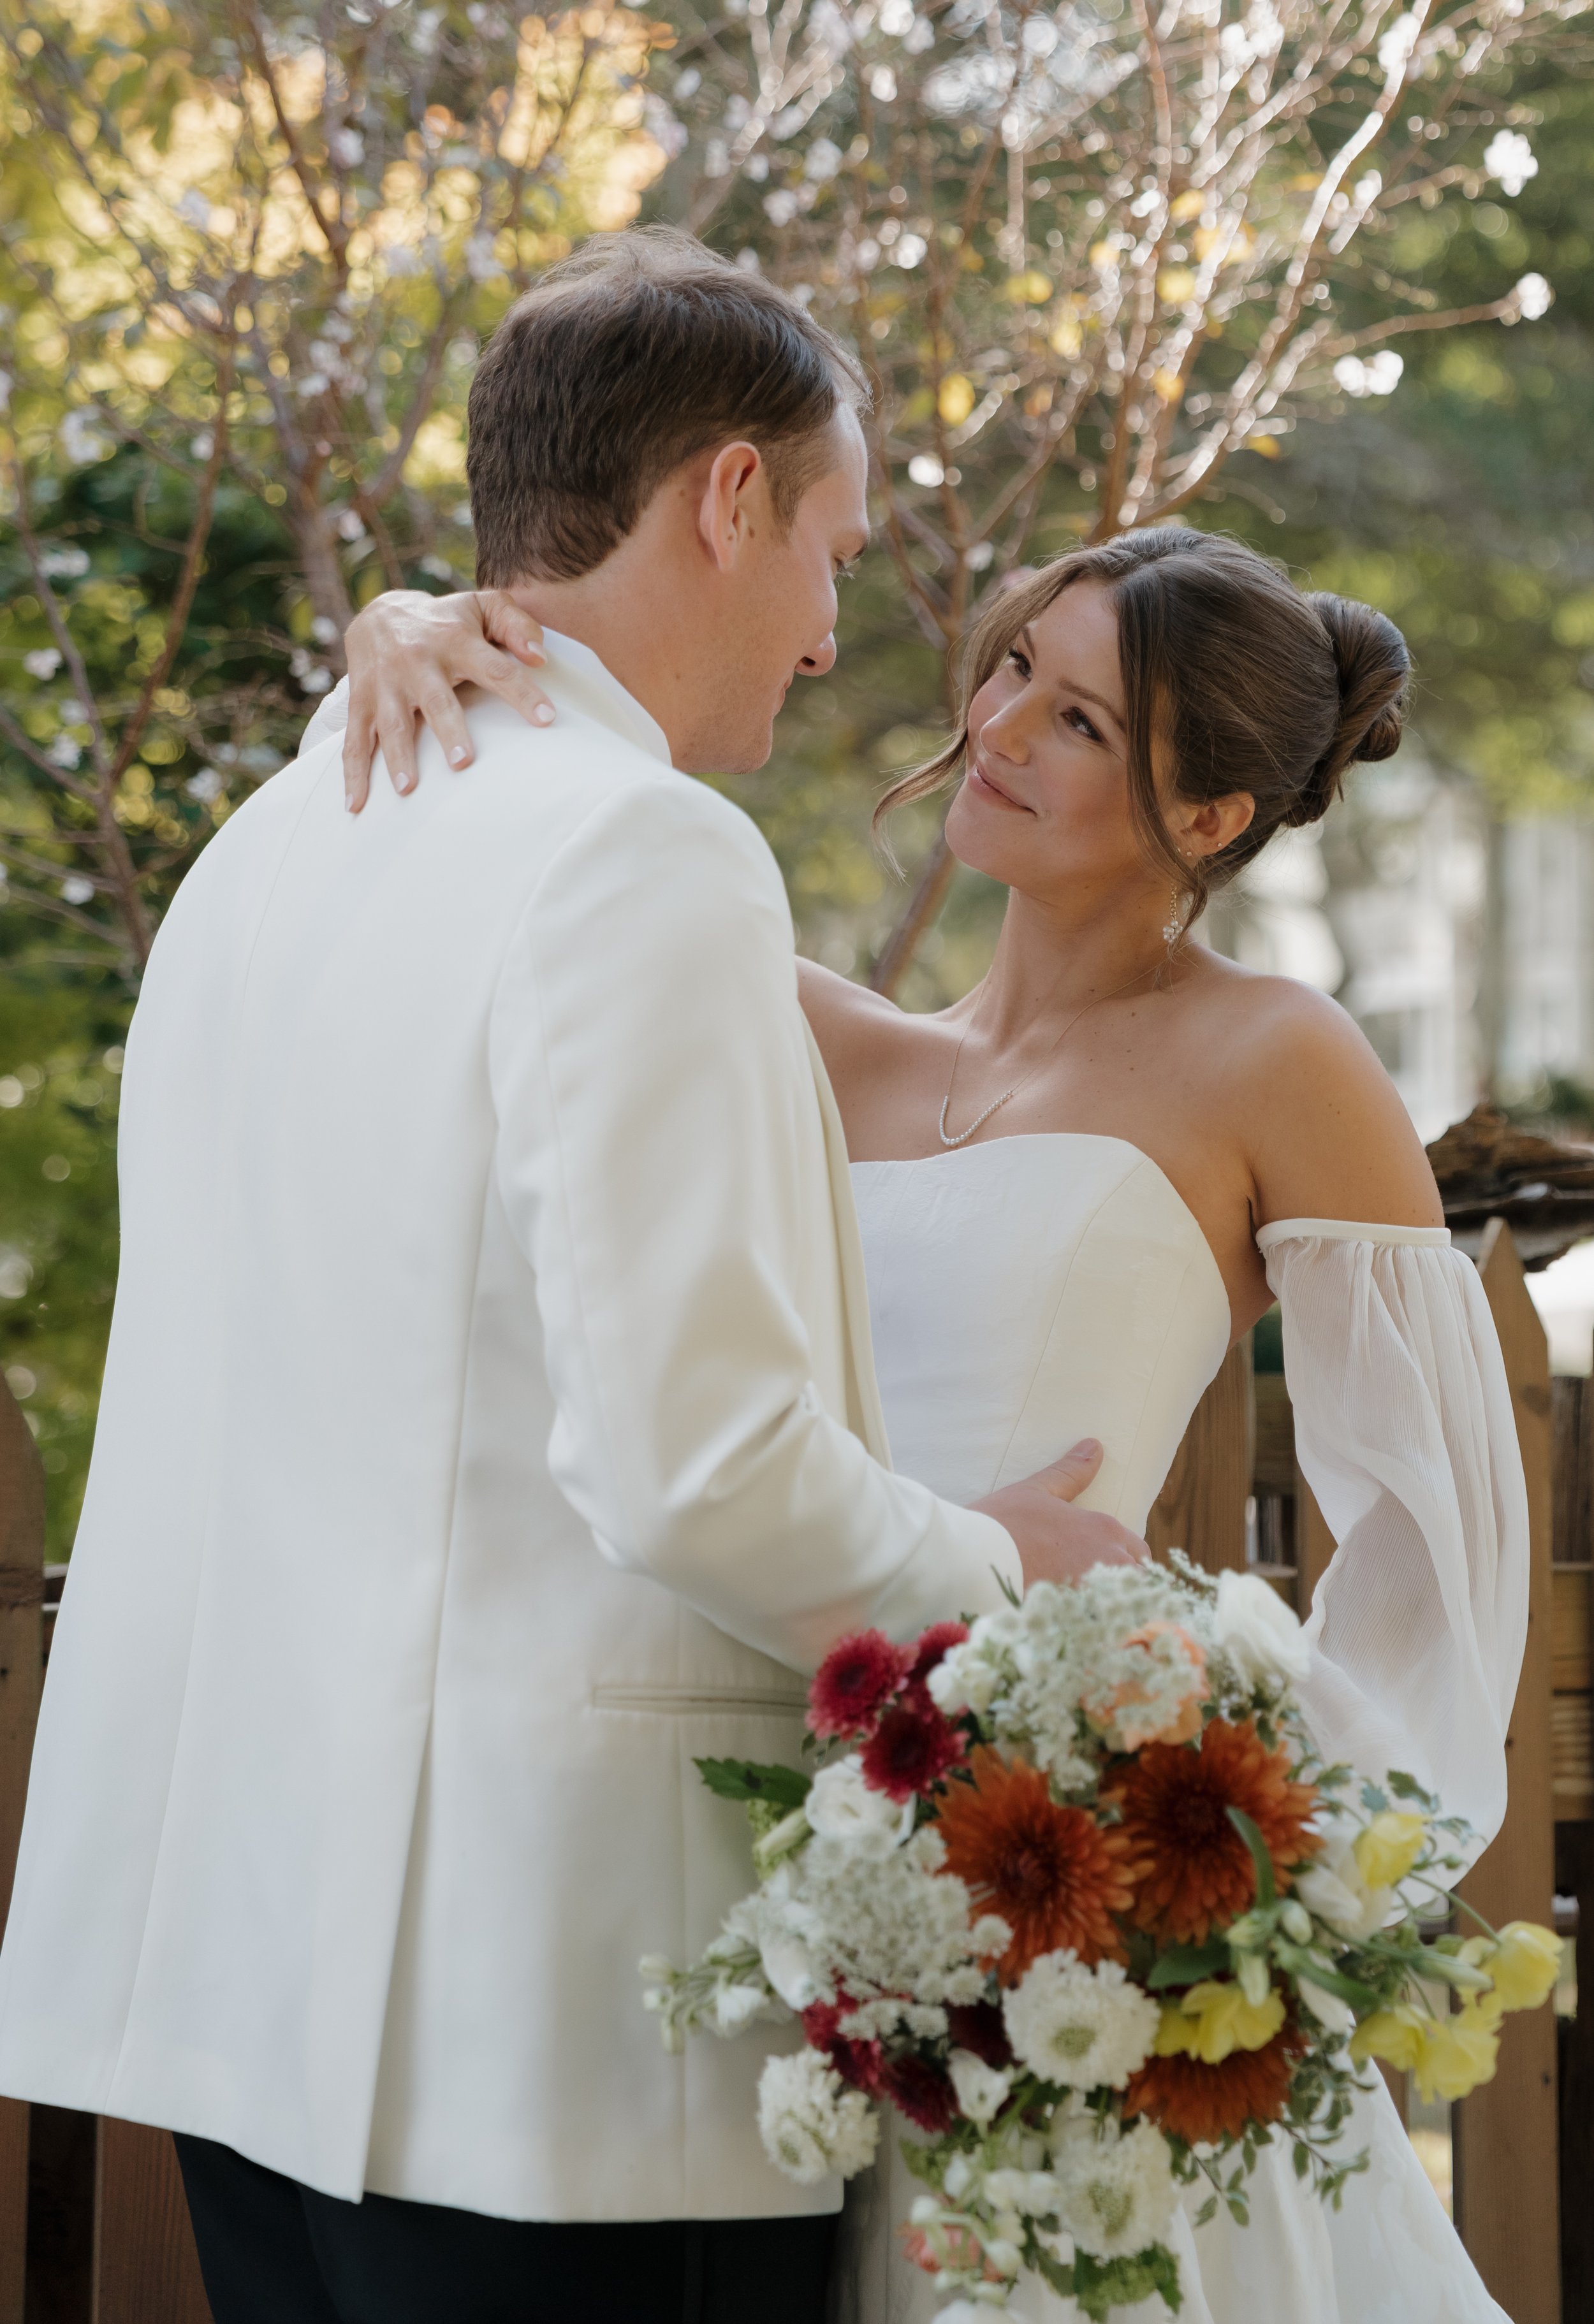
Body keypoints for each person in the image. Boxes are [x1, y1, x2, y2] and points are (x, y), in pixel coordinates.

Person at [0, 231, 1143, 2324]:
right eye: (829, 550)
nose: (824, 641)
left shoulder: (279, 830)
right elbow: (694, 1465)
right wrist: (1003, 1567)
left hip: (248, 1991)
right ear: (725, 498)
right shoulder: (643, 850)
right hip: (552, 2051)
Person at [338, 522, 1528, 2324]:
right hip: (779, 1840)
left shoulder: (1277, 1058)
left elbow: (1437, 1527)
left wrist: (1255, 1845)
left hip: (1084, 1870)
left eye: (1077, 723)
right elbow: (487, 902)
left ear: (1207, 818)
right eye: (1010, 673)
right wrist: (408, 622)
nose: (996, 728)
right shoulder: (805, 1029)